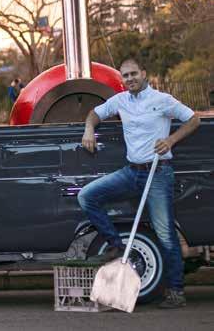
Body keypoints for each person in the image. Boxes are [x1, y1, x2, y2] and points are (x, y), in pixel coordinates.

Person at [78, 56, 201, 309]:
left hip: (158, 172)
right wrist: (88, 129)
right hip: (131, 171)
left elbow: (194, 119)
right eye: (125, 75)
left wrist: (171, 140)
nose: (130, 79)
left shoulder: (162, 100)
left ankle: (176, 291)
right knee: (87, 196)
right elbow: (94, 114)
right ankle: (115, 245)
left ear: (144, 74)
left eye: (134, 74)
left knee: (165, 234)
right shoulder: (120, 100)